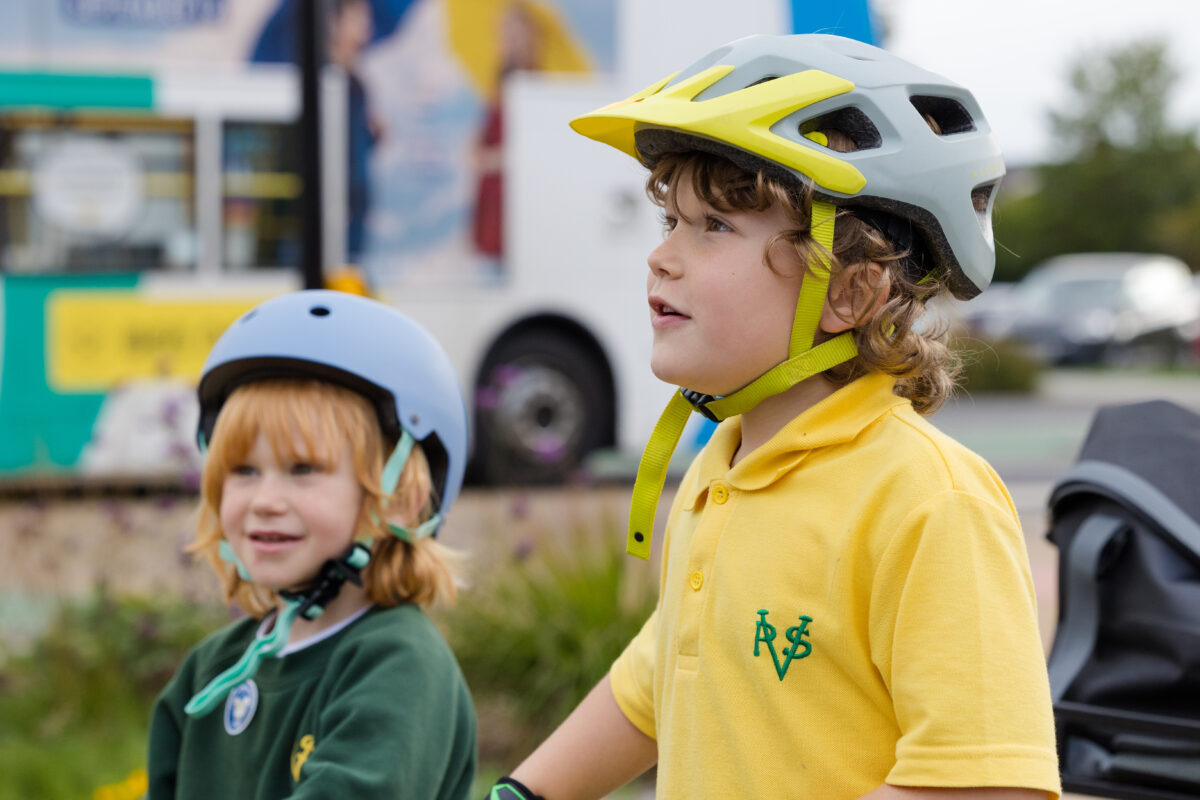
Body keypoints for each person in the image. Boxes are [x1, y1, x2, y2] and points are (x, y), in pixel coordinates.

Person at [486, 34, 1061, 800]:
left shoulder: (929, 502)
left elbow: (985, 783)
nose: (662, 258)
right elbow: (656, 683)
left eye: (714, 227)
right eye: (671, 223)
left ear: (848, 293)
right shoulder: (725, 465)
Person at [147, 289, 476, 799]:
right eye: (244, 471)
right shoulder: (208, 673)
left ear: (400, 500)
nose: (265, 500)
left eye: (303, 470)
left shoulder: (399, 665)